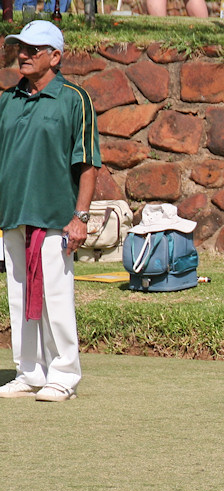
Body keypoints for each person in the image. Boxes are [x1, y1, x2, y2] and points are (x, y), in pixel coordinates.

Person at [0, 20, 101, 402]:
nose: (23, 55)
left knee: (56, 299)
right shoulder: (8, 100)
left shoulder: (75, 99)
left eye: (33, 49)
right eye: (19, 48)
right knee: (18, 298)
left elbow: (87, 162)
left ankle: (64, 375)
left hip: (56, 217)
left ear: (55, 56)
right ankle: (29, 373)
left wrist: (81, 217)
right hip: (13, 214)